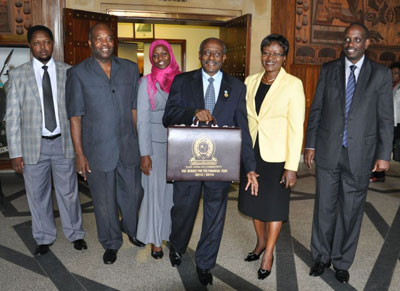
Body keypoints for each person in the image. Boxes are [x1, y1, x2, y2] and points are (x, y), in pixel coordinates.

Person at [162, 37, 258, 286]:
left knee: (215, 214)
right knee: (183, 209)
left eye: (216, 54)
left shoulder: (236, 86)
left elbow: (243, 127)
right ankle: (177, 246)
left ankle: (205, 263)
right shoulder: (183, 81)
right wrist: (193, 113)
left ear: (224, 57)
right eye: (207, 53)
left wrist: (250, 167)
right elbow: (168, 116)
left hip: (221, 162)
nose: (211, 58)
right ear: (200, 55)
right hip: (187, 159)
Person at [304, 22, 393, 283]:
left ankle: (342, 261)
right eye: (347, 39)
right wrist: (310, 144)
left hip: (361, 153)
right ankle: (321, 257)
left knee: (351, 210)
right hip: (329, 150)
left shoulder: (380, 74)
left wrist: (383, 154)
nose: (351, 44)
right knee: (324, 207)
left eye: (356, 40)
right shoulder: (329, 69)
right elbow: (317, 109)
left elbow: (386, 118)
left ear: (366, 43)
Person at [66, 23, 144, 265]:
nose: (104, 43)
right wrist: (79, 154)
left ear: (114, 41)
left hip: (129, 147)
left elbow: (134, 108)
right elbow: (75, 116)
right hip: (97, 150)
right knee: (104, 201)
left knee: (133, 195)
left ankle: (130, 229)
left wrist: (142, 146)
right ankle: (111, 243)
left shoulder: (131, 69)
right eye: (98, 39)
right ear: (90, 42)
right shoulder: (78, 74)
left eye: (108, 38)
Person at [5, 25, 86, 256]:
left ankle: (76, 234)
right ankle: (43, 236)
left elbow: (77, 111)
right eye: (37, 43)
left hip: (63, 144)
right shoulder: (18, 75)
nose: (43, 47)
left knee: (69, 192)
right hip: (33, 146)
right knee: (37, 195)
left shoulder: (69, 72)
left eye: (47, 42)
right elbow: (12, 117)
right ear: (30, 46)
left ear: (53, 44)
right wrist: (15, 152)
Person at [238, 34, 305, 280]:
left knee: (274, 207)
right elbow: (244, 118)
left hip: (277, 157)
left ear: (284, 57)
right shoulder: (250, 81)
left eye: (277, 53)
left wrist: (291, 165)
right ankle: (260, 243)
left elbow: (297, 127)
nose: (271, 58)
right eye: (267, 52)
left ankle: (269, 253)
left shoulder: (293, 84)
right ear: (261, 54)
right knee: (254, 202)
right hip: (252, 152)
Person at [136, 40, 181, 259]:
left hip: (176, 146)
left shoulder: (181, 80)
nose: (160, 58)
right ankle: (155, 241)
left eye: (164, 53)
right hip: (153, 147)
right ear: (151, 59)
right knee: (154, 195)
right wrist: (145, 154)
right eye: (155, 55)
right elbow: (142, 120)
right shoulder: (146, 83)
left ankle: (169, 234)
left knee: (172, 197)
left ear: (171, 55)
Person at [371, 62, 400, 181]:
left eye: (396, 73)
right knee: (381, 146)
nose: (393, 75)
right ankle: (378, 174)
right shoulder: (389, 86)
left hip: (397, 123)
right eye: (392, 73)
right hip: (388, 122)